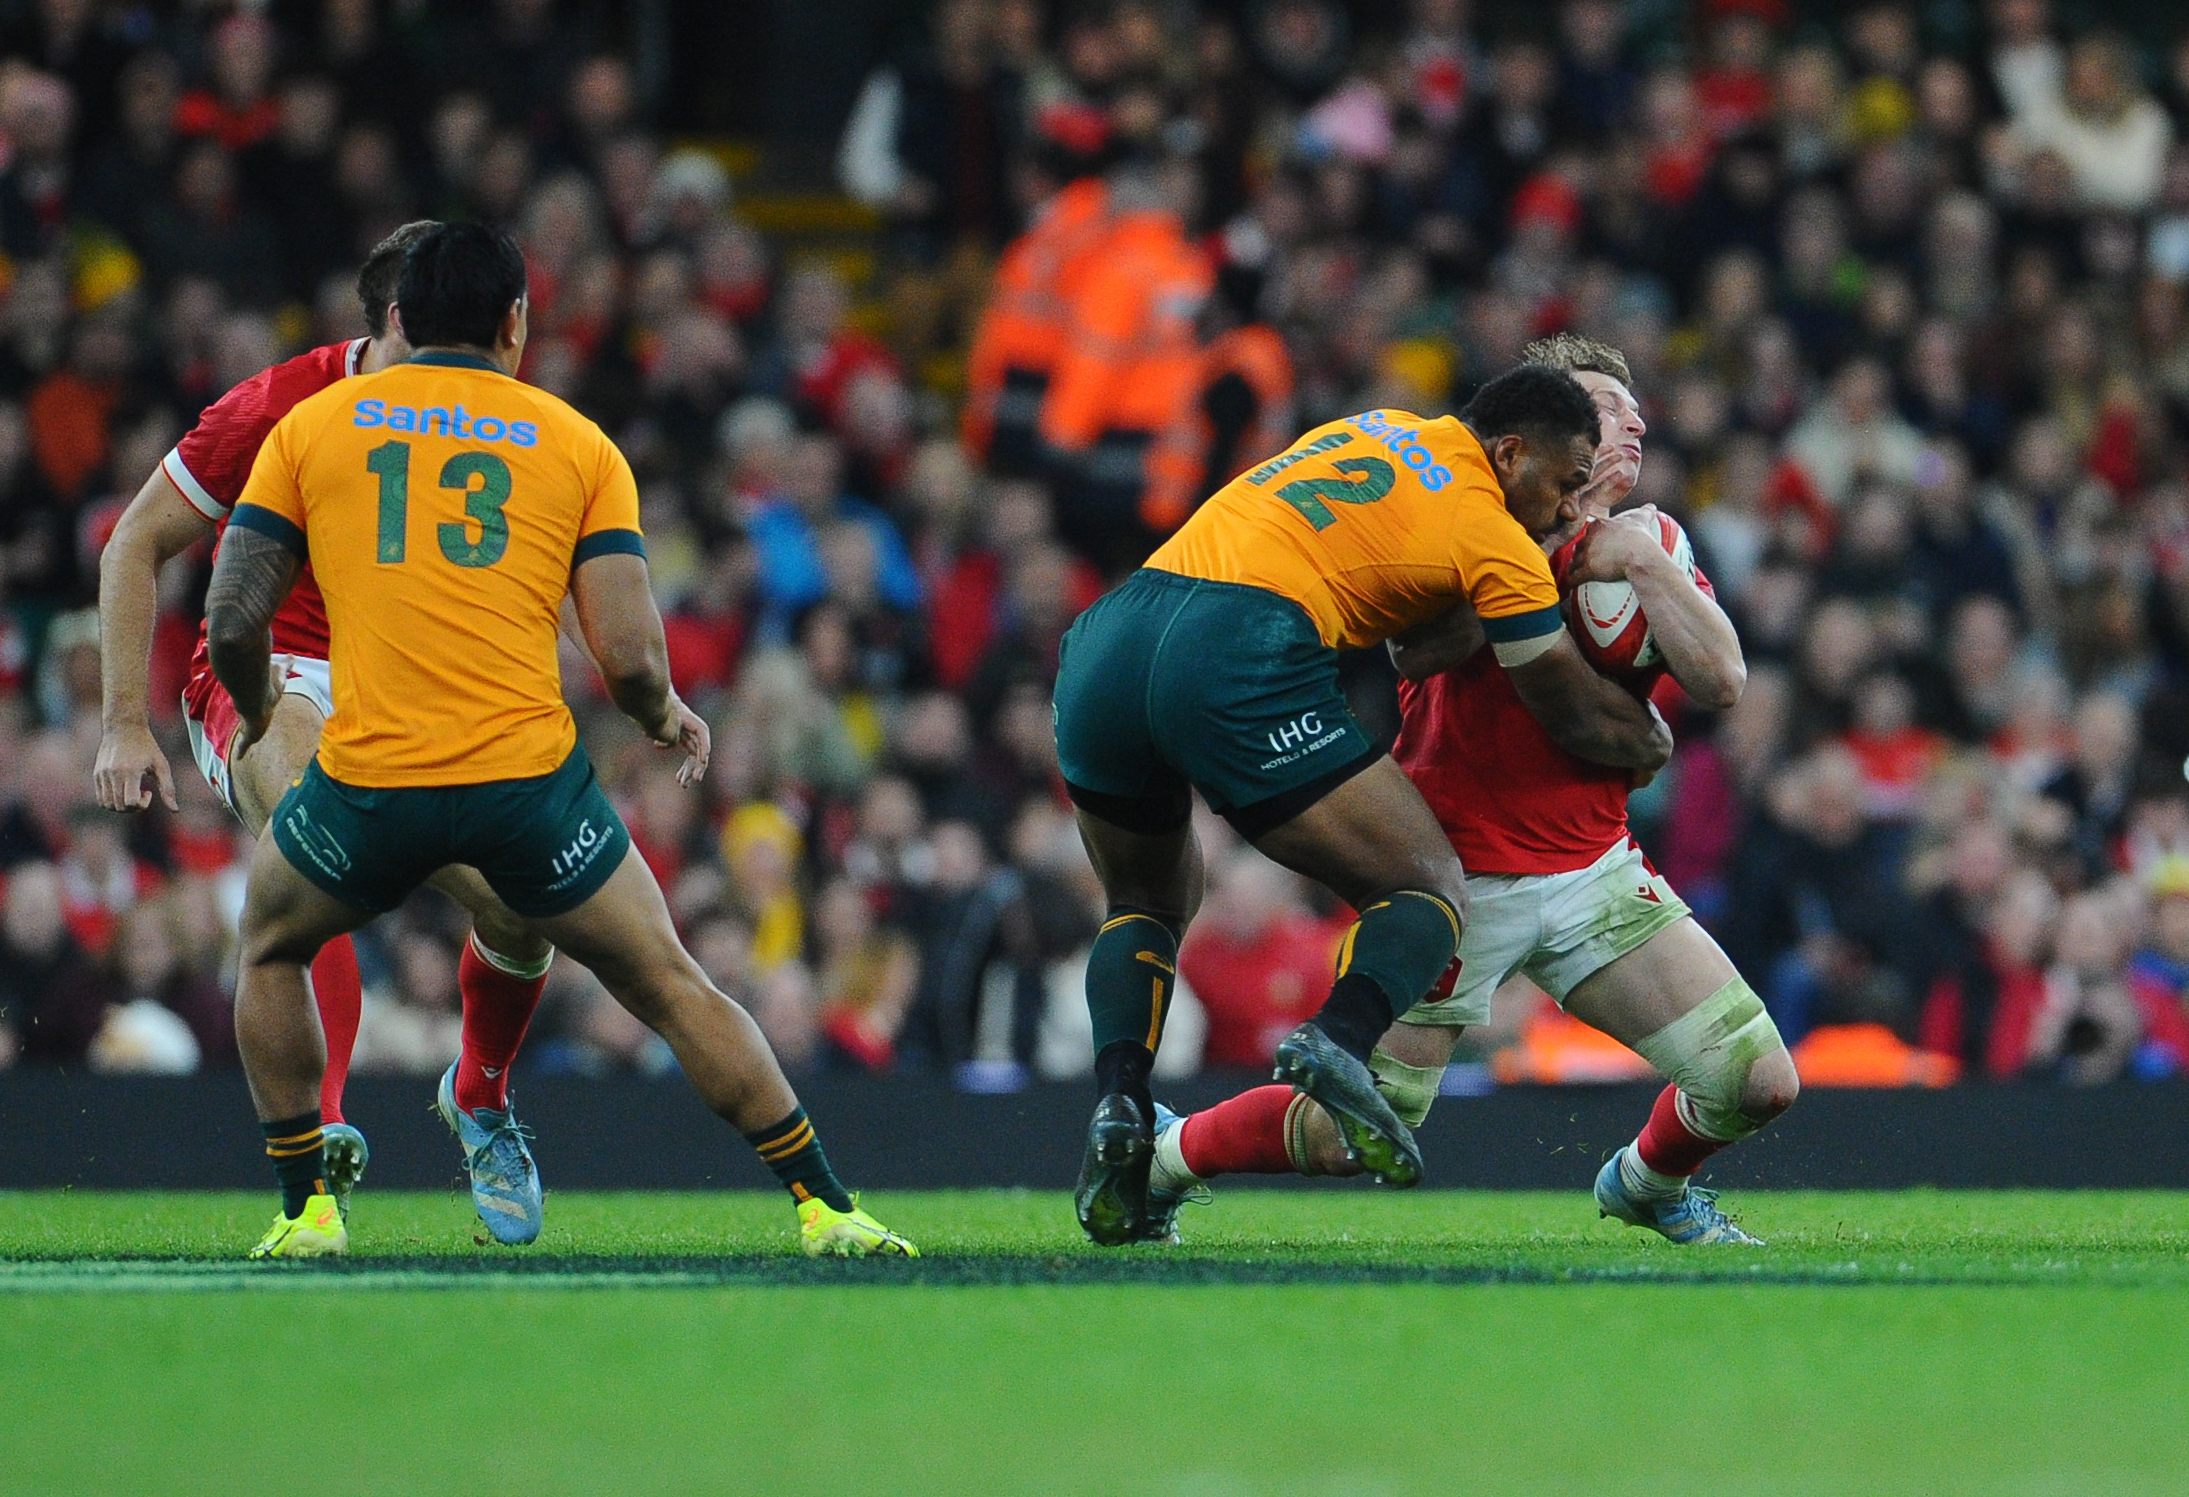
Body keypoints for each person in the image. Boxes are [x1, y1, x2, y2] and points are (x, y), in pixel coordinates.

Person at [204, 222, 914, 1262]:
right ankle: (825, 1206)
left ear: (401, 318)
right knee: (672, 983)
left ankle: (307, 1209)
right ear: (514, 321)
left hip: (368, 781)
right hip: (526, 791)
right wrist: (663, 713)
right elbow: (625, 656)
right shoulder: (576, 441)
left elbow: (231, 617)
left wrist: (256, 707)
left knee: (272, 947)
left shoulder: (318, 427)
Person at [1151, 336, 1801, 1245]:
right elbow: (1420, 651)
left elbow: (1724, 679)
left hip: (1591, 870)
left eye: (1634, 414)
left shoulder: (1651, 540)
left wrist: (1641, 562)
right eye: (1603, 410)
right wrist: (1557, 560)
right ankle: (1166, 1152)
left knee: (1756, 1080)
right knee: (1347, 1134)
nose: (1630, 426)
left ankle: (1645, 1185)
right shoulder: (1462, 519)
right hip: (1450, 876)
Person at [1051, 362, 1670, 1245]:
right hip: (1237, 641)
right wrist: (1649, 742)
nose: (1571, 508)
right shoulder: (1492, 534)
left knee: (1145, 902)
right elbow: (1565, 703)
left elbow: (1411, 623)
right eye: (1565, 484)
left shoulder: (1373, 427)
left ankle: (1120, 1103)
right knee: (1427, 887)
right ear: (1508, 453)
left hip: (1110, 633)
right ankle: (1338, 1037)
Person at [93, 222, 565, 1242]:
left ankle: (478, 1095)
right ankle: (323, 1148)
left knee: (530, 907)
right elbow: (135, 541)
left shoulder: (495, 424)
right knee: (318, 830)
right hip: (272, 677)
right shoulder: (279, 404)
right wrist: (124, 724)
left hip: (414, 694)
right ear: (397, 322)